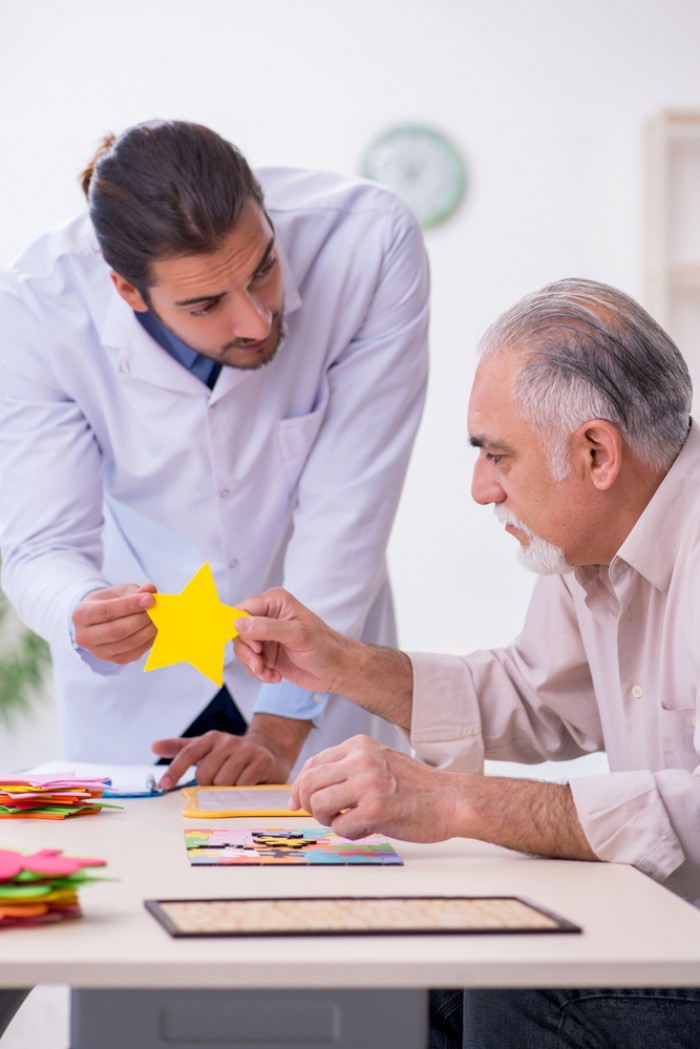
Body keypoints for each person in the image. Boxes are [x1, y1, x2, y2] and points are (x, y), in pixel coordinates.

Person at [230, 278, 700, 1048]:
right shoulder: (591, 547)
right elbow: (536, 696)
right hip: (664, 927)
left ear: (595, 452)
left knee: (510, 990)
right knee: (419, 970)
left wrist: (459, 803)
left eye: (497, 455)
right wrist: (341, 661)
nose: (481, 488)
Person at [0, 119, 429, 785]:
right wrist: (81, 610)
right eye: (205, 304)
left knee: (331, 873)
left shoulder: (366, 242)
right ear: (127, 290)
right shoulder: (37, 306)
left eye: (264, 269)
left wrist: (283, 722)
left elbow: (350, 507)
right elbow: (38, 545)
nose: (257, 320)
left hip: (320, 671)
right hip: (141, 687)